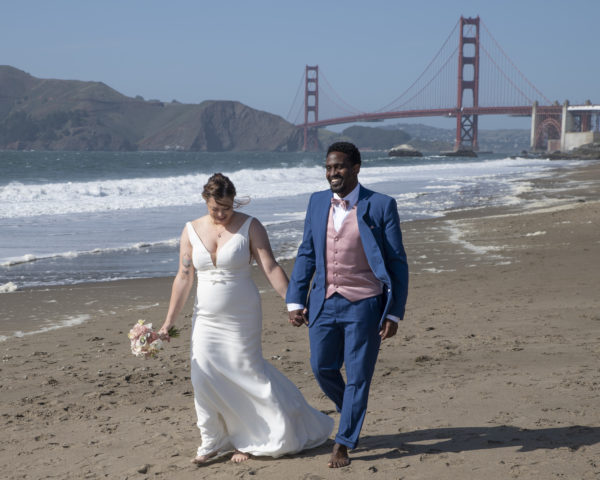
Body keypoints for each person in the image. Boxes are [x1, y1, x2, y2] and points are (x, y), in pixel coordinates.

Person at [159, 173, 333, 465]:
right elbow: (184, 277)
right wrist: (168, 322)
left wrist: (294, 302)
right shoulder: (190, 230)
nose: (221, 214)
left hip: (242, 314)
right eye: (216, 208)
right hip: (206, 317)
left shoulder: (251, 226)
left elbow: (271, 267)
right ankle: (211, 440)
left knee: (246, 371)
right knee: (203, 375)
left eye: (227, 207)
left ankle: (257, 437)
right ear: (206, 200)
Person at [286, 142, 409, 468]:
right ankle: (353, 409)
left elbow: (397, 262)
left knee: (357, 377)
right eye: (328, 168)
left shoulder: (381, 205)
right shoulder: (316, 203)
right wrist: (295, 299)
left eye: (339, 167)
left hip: (365, 304)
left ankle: (343, 442)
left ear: (356, 168)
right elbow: (307, 253)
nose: (332, 173)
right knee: (321, 367)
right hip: (324, 302)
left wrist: (394, 311)